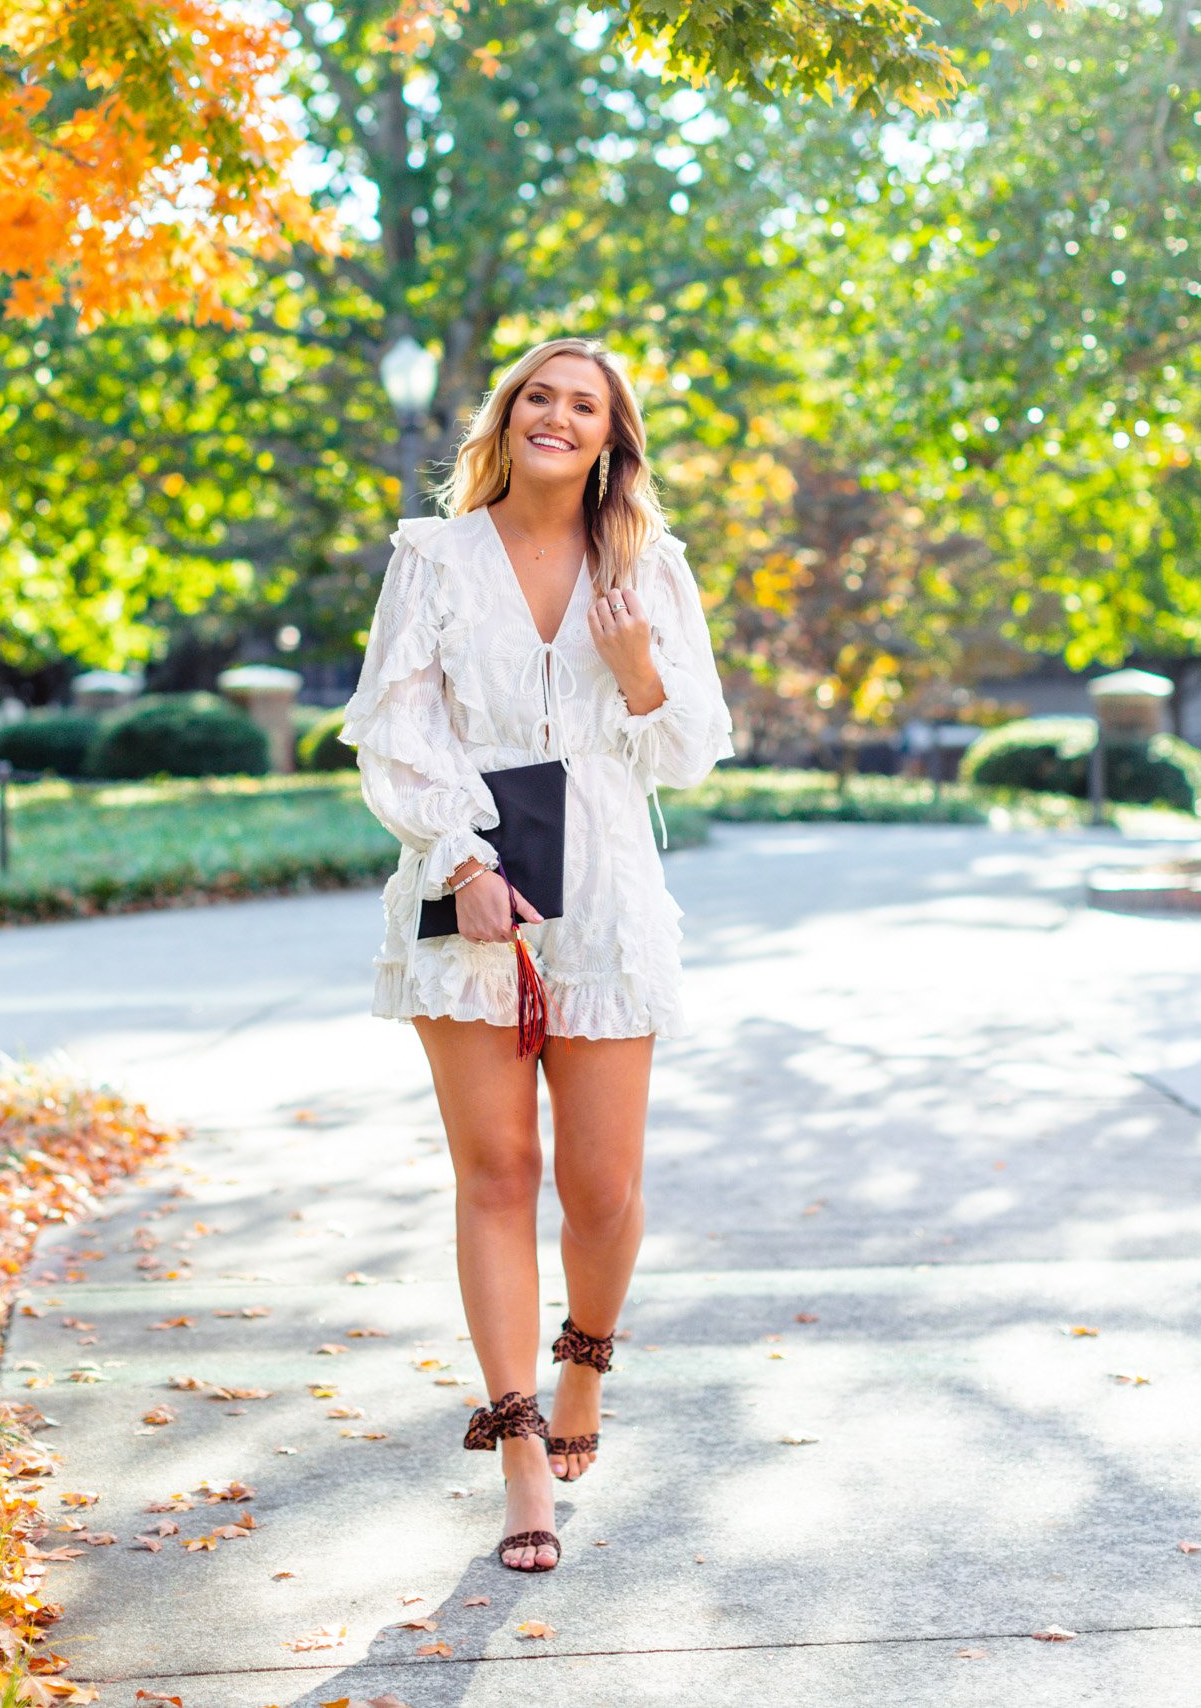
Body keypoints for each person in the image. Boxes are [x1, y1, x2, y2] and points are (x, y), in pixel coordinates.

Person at [342, 337, 733, 1574]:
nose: (555, 417)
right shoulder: (433, 558)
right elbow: (393, 730)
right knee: (498, 1172)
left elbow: (694, 750)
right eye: (536, 397)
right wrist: (462, 863)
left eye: (583, 405)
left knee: (603, 1187)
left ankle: (584, 1368)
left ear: (611, 437)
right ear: (504, 418)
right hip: (470, 886)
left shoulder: (649, 566)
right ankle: (518, 1448)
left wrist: (636, 671)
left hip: (607, 892)